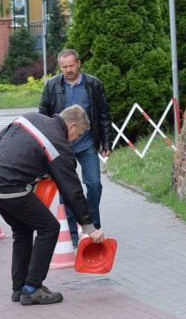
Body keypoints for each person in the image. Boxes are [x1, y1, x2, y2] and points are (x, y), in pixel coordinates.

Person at [0, 105, 107, 306]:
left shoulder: (29, 117)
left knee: (22, 230)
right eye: (78, 134)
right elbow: (72, 190)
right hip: (10, 187)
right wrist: (89, 228)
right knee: (50, 227)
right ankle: (32, 289)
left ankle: (19, 288)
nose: (75, 140)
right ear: (71, 126)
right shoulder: (58, 145)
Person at [39, 49, 113, 247]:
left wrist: (107, 142)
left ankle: (92, 228)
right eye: (64, 67)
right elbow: (43, 116)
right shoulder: (52, 85)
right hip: (62, 147)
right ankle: (71, 231)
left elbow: (104, 115)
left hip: (87, 144)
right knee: (67, 189)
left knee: (94, 184)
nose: (69, 70)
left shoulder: (93, 84)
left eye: (72, 65)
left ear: (78, 63)